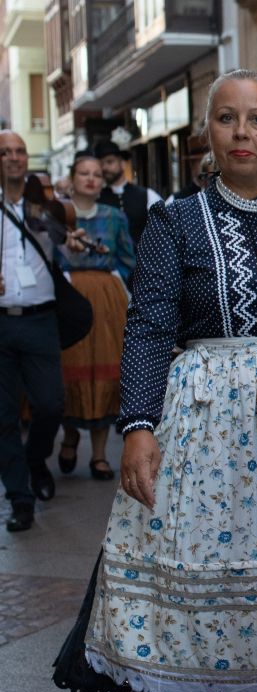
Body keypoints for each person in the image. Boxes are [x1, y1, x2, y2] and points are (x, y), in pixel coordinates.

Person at [53, 69, 257, 692]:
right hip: (210, 431)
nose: (242, 132)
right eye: (226, 118)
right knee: (219, 594)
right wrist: (138, 423)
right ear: (207, 135)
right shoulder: (176, 222)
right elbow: (148, 326)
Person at [54, 151, 135, 481]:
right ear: (72, 179)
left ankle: (100, 455)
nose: (91, 178)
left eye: (96, 174)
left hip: (105, 299)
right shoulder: (58, 214)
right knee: (68, 370)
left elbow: (128, 258)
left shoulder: (114, 216)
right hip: (68, 296)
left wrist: (123, 288)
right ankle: (71, 436)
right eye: (84, 173)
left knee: (106, 369)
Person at [1, 130, 67, 530]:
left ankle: (34, 457)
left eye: (20, 151)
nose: (14, 157)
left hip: (41, 317)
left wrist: (73, 242)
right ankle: (19, 497)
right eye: (5, 152)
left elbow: (67, 241)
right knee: (4, 417)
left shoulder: (45, 207)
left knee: (50, 405)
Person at [95, 139, 162, 245]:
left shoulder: (147, 195)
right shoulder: (96, 198)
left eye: (110, 162)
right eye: (101, 164)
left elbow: (163, 231)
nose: (105, 168)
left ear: (122, 163)